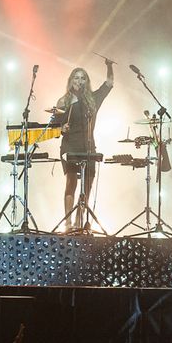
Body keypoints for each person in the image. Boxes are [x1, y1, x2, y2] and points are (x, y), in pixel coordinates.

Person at [49, 57, 113, 233]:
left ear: (87, 81)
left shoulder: (92, 99)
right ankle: (68, 223)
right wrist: (62, 127)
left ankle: (80, 222)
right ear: (71, 81)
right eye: (76, 78)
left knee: (87, 185)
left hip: (88, 146)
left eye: (82, 78)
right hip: (70, 145)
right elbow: (54, 127)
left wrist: (109, 66)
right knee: (71, 183)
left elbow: (109, 84)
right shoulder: (64, 101)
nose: (79, 81)